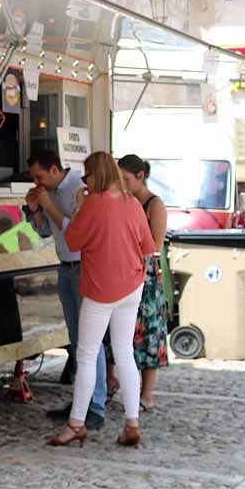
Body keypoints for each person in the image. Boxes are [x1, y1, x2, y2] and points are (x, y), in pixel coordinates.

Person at [48, 151, 155, 448]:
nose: (84, 181)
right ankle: (132, 422)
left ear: (97, 175)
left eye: (87, 175)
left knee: (86, 355)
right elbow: (148, 245)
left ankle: (76, 424)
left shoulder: (94, 203)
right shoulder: (132, 202)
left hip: (100, 287)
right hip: (131, 285)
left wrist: (81, 208)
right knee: (124, 353)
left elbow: (72, 241)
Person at [25, 149, 107, 430]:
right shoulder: (49, 192)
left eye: (39, 176)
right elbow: (45, 232)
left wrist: (48, 204)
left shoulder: (79, 189)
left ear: (54, 170)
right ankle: (81, 403)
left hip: (84, 265)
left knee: (90, 341)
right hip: (65, 267)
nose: (37, 182)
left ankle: (95, 405)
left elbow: (75, 232)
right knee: (76, 340)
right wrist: (36, 209)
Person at [117, 154, 169, 412]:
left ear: (140, 176)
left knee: (148, 335)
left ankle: (146, 393)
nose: (123, 184)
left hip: (145, 276)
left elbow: (154, 244)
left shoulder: (154, 204)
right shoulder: (122, 202)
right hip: (121, 274)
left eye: (126, 179)